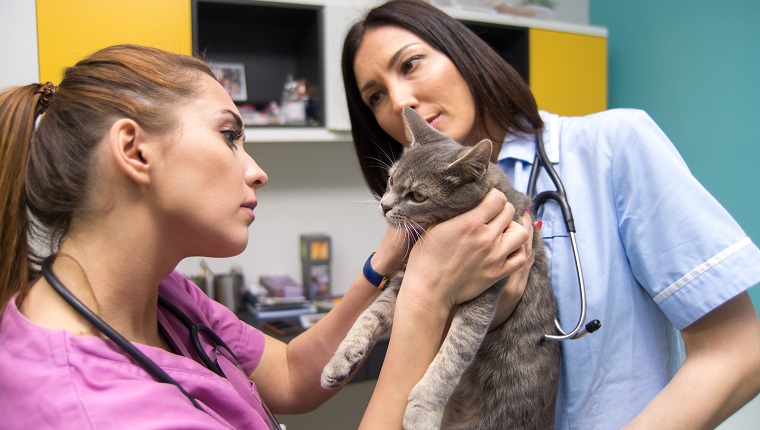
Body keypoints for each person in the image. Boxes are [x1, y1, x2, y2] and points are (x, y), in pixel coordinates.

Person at [0, 44, 533, 429]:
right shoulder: (94, 411)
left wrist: (385, 262)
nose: (257, 171)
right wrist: (426, 298)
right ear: (136, 151)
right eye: (229, 136)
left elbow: (290, 376)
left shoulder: (159, 294)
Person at [340, 0, 760, 428]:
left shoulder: (612, 148)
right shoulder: (420, 217)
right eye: (375, 95)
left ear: (462, 52)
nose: (399, 101)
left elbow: (738, 351)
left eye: (410, 65)